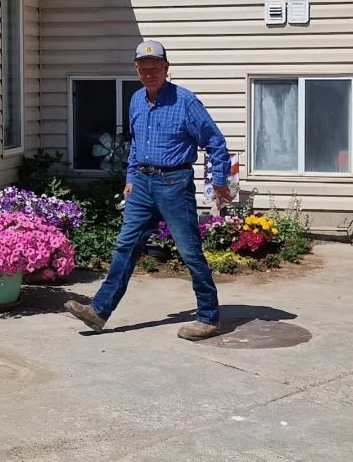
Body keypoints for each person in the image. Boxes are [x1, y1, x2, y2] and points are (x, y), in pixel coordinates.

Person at [65, 40, 233, 341]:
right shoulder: (137, 101)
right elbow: (136, 145)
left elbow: (216, 143)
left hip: (174, 183)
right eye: (143, 70)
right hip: (142, 184)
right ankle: (99, 311)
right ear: (136, 70)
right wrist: (130, 177)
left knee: (190, 252)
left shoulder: (185, 102)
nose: (149, 74)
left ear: (166, 68)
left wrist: (219, 182)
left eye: (155, 69)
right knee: (125, 247)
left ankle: (208, 318)